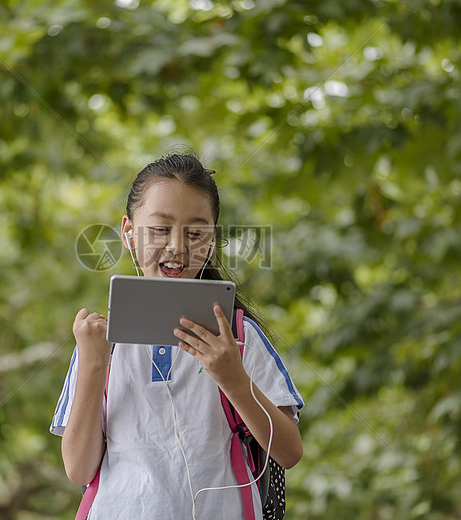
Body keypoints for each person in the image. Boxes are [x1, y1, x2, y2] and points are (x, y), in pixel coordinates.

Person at [51, 151, 304, 519]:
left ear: (213, 239)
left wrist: (233, 379)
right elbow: (78, 469)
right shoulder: (101, 342)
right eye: (159, 228)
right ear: (128, 234)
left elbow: (288, 452)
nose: (177, 247)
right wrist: (92, 362)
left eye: (196, 232)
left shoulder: (238, 337)